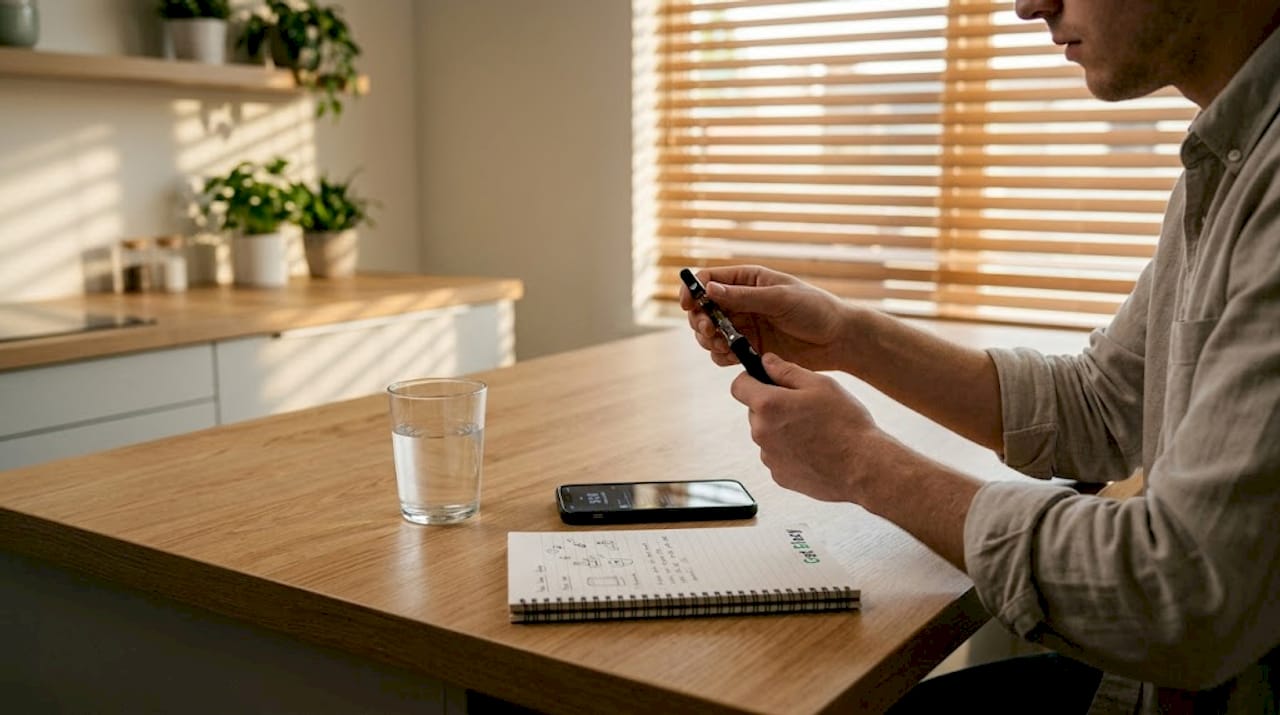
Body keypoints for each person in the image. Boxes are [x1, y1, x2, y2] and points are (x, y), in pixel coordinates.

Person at [680, 0, 1280, 713]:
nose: (1029, 6)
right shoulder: (1230, 158)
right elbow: (1098, 402)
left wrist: (859, 462)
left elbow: (1180, 592)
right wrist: (845, 336)